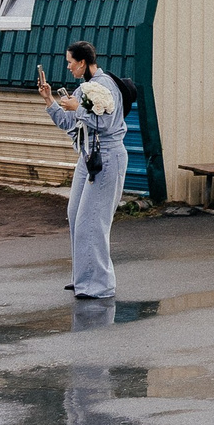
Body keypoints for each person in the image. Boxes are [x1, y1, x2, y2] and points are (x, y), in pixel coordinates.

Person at [40, 41, 130, 298]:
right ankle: (83, 276)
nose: (68, 67)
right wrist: (50, 101)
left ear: (82, 62)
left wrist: (78, 108)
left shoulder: (105, 85)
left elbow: (107, 122)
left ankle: (99, 284)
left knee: (93, 219)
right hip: (88, 153)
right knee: (76, 212)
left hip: (107, 155)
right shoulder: (84, 88)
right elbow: (70, 122)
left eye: (70, 62)